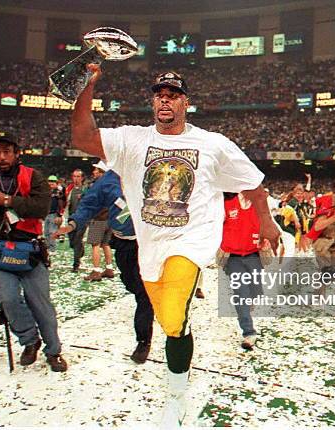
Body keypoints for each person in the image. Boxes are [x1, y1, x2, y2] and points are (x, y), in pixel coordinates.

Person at [71, 66, 280, 427]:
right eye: (159, 94)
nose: (165, 99)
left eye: (173, 94)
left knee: (172, 315)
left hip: (191, 241)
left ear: (186, 102)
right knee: (172, 321)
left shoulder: (213, 144)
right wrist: (87, 87)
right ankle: (178, 359)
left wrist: (266, 221)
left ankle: (176, 395)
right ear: (153, 101)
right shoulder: (132, 139)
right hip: (150, 246)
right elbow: (82, 136)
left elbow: (254, 183)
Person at [0, 131, 67, 372]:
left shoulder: (33, 176)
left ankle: (53, 351)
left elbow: (40, 208)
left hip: (29, 249)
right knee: (6, 299)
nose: (1, 157)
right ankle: (30, 341)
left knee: (41, 304)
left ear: (17, 154)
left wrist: (6, 201)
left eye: (6, 151)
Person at [54, 167, 154, 364]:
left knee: (144, 294)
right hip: (123, 243)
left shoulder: (152, 170)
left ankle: (143, 340)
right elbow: (89, 204)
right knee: (131, 284)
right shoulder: (108, 180)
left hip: (148, 243)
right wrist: (73, 224)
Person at [219, 192, 266, 351]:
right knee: (240, 294)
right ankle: (248, 332)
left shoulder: (260, 205)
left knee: (256, 292)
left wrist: (267, 240)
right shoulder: (227, 204)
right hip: (234, 258)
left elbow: (269, 225)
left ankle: (250, 302)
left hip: (254, 255)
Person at [83, 161, 115, 281]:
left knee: (95, 245)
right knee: (105, 244)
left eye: (96, 170)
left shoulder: (97, 186)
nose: (94, 172)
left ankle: (96, 271)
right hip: (109, 219)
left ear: (102, 172)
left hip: (98, 219)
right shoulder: (111, 185)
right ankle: (109, 268)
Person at [65, 169, 88, 272]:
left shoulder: (86, 189)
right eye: (74, 176)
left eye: (78, 176)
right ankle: (81, 251)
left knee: (77, 240)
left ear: (82, 178)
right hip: (71, 218)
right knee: (72, 243)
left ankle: (76, 265)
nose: (76, 179)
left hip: (82, 219)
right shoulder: (69, 189)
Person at [43, 175, 65, 254]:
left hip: (54, 214)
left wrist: (59, 214)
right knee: (46, 232)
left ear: (56, 183)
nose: (51, 184)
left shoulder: (58, 192)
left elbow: (61, 203)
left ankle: (52, 248)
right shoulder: (46, 191)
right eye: (50, 182)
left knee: (52, 232)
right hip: (46, 214)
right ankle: (47, 247)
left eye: (53, 182)